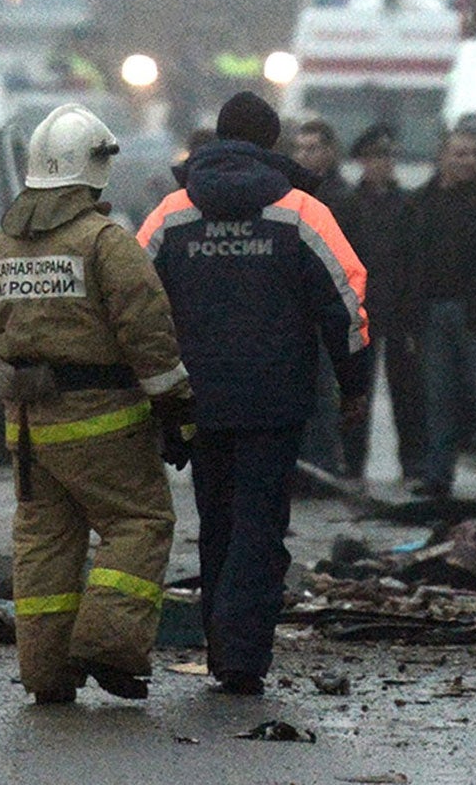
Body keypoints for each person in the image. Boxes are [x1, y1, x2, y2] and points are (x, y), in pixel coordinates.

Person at [138, 92, 369, 697]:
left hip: (197, 399)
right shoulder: (301, 212)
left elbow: (135, 303)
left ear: (216, 138)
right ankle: (241, 655)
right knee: (259, 524)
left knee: (215, 520)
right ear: (274, 144)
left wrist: (151, 390)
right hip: (275, 399)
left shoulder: (170, 214)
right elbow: (345, 303)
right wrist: (354, 385)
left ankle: (221, 646)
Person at [0, 103, 194, 705]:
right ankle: (107, 645)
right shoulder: (104, 242)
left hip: (28, 431)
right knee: (139, 523)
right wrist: (177, 406)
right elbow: (147, 333)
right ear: (93, 169)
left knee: (45, 546)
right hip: (102, 423)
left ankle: (45, 674)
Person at [401, 126, 476, 495]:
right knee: (438, 397)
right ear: (443, 156)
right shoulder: (420, 203)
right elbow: (409, 261)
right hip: (432, 313)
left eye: (471, 154)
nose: (465, 161)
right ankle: (438, 475)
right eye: (458, 153)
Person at [333, 125, 424, 479]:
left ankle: (412, 462)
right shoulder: (350, 205)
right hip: (361, 310)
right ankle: (354, 463)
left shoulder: (408, 204)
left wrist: (412, 306)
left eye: (387, 156)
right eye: (375, 157)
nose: (382, 164)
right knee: (357, 391)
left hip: (399, 309)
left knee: (407, 392)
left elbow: (416, 259)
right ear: (363, 161)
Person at [290, 117, 364, 478]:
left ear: (330, 152)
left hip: (330, 308)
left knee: (328, 393)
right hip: (298, 310)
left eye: (313, 148)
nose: (305, 155)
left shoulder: (342, 200)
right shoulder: (290, 197)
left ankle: (325, 465)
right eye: (300, 148)